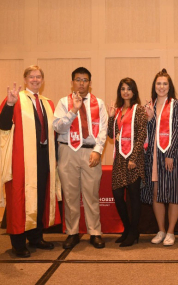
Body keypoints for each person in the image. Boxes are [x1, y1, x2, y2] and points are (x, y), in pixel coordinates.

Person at [0, 65, 61, 258]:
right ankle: (18, 243)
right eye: (31, 77)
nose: (35, 80)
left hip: (43, 156)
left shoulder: (48, 103)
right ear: (25, 79)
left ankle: (36, 237)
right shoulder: (15, 99)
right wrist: (9, 105)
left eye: (38, 77)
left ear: (42, 80)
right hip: (21, 158)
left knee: (40, 196)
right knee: (19, 198)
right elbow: (3, 126)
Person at [53, 67, 108, 249]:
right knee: (70, 195)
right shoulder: (63, 102)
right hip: (67, 151)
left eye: (85, 80)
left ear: (90, 83)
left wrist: (98, 150)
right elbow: (58, 128)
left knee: (92, 193)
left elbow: (103, 130)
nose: (81, 83)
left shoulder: (98, 103)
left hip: (90, 152)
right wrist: (73, 111)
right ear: (72, 82)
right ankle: (72, 232)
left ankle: (94, 232)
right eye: (78, 79)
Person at [141, 68, 178, 246]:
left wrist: (170, 154)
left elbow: (176, 131)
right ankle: (161, 230)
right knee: (156, 192)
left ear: (169, 86)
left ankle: (171, 231)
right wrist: (150, 118)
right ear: (154, 86)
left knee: (172, 193)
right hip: (152, 154)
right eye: (158, 83)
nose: (161, 86)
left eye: (165, 84)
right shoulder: (149, 105)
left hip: (170, 155)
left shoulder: (176, 104)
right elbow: (149, 133)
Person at [107, 78, 147, 247]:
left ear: (134, 91)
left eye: (129, 89)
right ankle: (128, 228)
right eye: (123, 88)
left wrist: (134, 158)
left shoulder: (139, 110)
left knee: (133, 196)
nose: (126, 92)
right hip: (119, 160)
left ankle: (133, 232)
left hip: (133, 159)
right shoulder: (117, 112)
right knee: (117, 195)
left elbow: (141, 135)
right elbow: (111, 135)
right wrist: (110, 118)